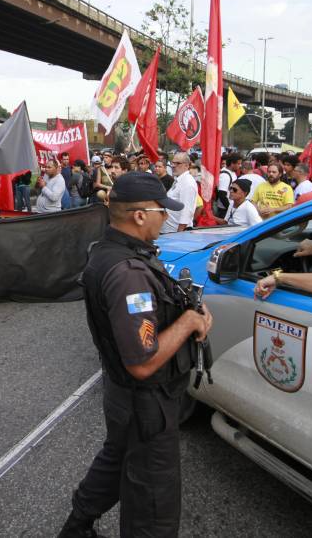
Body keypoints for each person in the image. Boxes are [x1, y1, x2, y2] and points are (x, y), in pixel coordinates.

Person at [57, 172, 213, 538]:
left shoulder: (114, 252)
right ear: (140, 215)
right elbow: (143, 362)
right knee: (153, 507)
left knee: (115, 462)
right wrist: (189, 322)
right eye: (162, 210)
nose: (167, 217)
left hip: (125, 398)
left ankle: (76, 527)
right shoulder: (128, 274)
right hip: (145, 404)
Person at [161, 152, 197, 234]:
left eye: (177, 163)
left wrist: (179, 235)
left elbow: (186, 212)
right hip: (169, 232)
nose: (173, 166)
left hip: (176, 233)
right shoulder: (179, 180)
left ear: (186, 165)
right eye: (173, 162)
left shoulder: (187, 183)